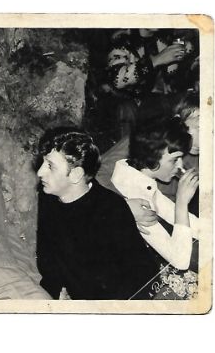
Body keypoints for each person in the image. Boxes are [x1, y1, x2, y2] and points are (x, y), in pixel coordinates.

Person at [36, 128, 158, 300]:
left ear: (76, 174)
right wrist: (57, 290)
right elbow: (46, 256)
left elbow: (138, 275)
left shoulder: (111, 211)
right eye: (43, 162)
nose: (40, 172)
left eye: (50, 166)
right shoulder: (48, 196)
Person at [96, 91, 200, 228]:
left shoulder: (203, 159)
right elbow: (98, 173)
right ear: (178, 121)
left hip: (167, 223)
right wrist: (126, 209)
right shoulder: (152, 140)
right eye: (200, 127)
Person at [111, 117, 199, 270]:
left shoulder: (136, 175)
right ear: (151, 157)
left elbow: (171, 213)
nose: (180, 166)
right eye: (174, 160)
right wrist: (182, 201)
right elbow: (180, 261)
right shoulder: (132, 193)